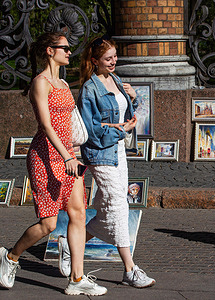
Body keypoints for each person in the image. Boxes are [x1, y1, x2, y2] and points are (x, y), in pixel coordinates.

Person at [0, 32, 107, 296]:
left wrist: (74, 153)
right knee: (47, 224)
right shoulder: (41, 83)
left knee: (78, 214)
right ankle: (11, 257)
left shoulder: (64, 85)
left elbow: (69, 124)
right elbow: (46, 125)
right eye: (65, 48)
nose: (69, 52)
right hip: (45, 156)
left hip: (69, 154)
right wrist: (66, 156)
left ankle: (77, 278)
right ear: (49, 51)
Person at [57, 35, 155, 288]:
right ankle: (130, 269)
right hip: (100, 154)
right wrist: (120, 130)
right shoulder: (90, 89)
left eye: (115, 57)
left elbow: (123, 114)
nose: (113, 62)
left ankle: (71, 244)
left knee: (108, 208)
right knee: (118, 206)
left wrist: (132, 99)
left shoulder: (117, 80)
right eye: (108, 58)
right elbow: (92, 130)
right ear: (95, 61)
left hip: (118, 150)